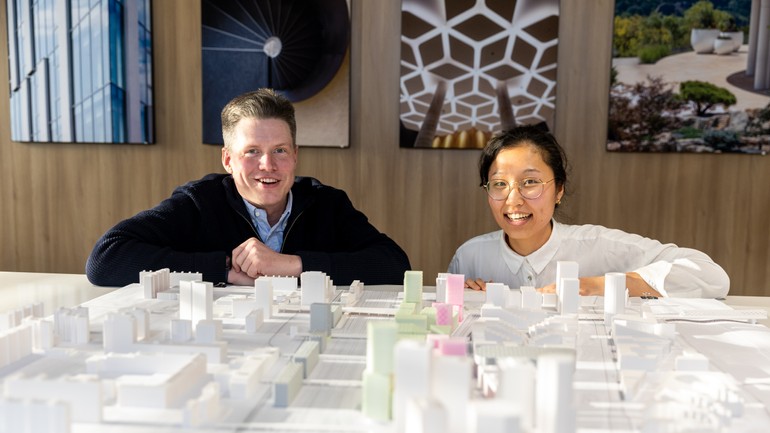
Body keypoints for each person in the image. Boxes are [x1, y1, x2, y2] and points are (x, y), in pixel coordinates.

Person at [86, 89, 411, 287]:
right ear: (228, 160)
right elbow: (105, 259)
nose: (267, 165)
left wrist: (291, 265)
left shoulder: (328, 204)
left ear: (295, 156)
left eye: (280, 150)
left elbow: (395, 265)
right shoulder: (199, 202)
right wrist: (224, 268)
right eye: (252, 151)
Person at [448, 124, 729, 298]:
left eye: (530, 182)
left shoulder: (599, 247)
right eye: (499, 184)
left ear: (559, 190)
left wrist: (600, 286)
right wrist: (470, 299)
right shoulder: (470, 257)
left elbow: (711, 275)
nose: (513, 200)